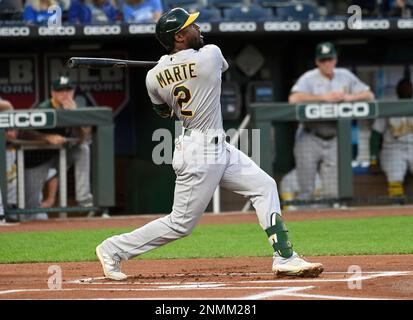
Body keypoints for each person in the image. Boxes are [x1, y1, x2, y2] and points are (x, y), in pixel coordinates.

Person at [96, 7, 324, 281]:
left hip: (216, 146)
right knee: (181, 224)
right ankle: (113, 248)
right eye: (192, 26)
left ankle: (285, 257)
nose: (199, 28)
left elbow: (165, 113)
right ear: (179, 36)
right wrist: (177, 67)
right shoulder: (211, 54)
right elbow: (209, 70)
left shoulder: (152, 77)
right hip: (199, 151)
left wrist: (167, 68)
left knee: (265, 186)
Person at [289, 42, 374, 201]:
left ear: (335, 59)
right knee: (306, 187)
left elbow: (369, 95)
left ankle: (331, 217)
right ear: (317, 62)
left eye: (330, 59)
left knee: (333, 191)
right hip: (310, 136)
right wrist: (323, 98)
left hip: (335, 137)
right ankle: (303, 220)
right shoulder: (308, 78)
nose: (327, 63)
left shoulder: (345, 75)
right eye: (323, 60)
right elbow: (294, 98)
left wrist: (350, 97)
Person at [19, 76, 94, 221]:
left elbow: (83, 138)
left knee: (83, 149)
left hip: (59, 157)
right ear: (53, 93)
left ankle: (84, 200)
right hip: (36, 159)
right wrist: (46, 137)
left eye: (68, 90)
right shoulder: (45, 107)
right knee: (30, 208)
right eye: (61, 91)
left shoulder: (74, 109)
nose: (65, 94)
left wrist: (76, 116)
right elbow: (24, 131)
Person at [370, 77, 413, 199]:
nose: (406, 90)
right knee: (395, 176)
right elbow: (375, 134)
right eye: (403, 87)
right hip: (394, 149)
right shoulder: (389, 105)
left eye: (409, 87)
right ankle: (397, 204)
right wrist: (373, 160)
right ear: (397, 90)